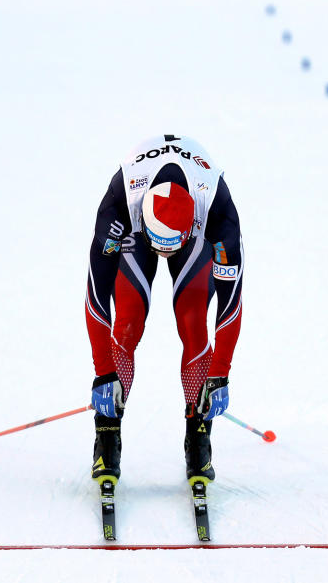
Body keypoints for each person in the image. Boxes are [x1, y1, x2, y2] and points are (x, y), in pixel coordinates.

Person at [85, 134, 243, 488]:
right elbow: (96, 294)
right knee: (126, 322)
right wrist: (103, 371)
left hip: (194, 231)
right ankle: (107, 434)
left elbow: (230, 303)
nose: (164, 255)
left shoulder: (218, 214)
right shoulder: (119, 205)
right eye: (160, 247)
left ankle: (198, 435)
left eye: (172, 247)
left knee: (194, 323)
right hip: (136, 231)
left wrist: (220, 373)